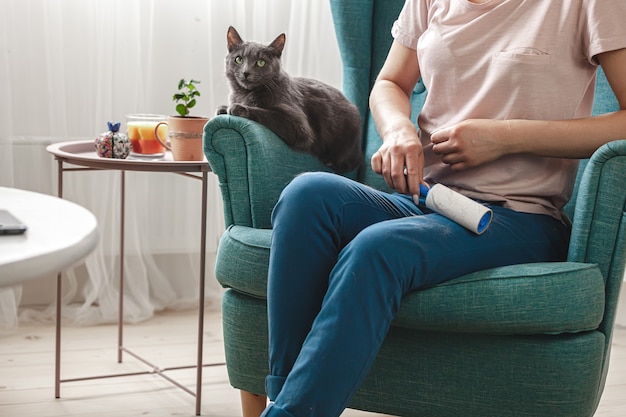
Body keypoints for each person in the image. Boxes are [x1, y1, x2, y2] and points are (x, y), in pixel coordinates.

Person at [259, 1, 626, 416]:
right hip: (426, 199)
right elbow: (390, 82)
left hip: (520, 217)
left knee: (378, 248)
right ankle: (285, 398)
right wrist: (398, 131)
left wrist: (504, 137)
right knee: (305, 195)